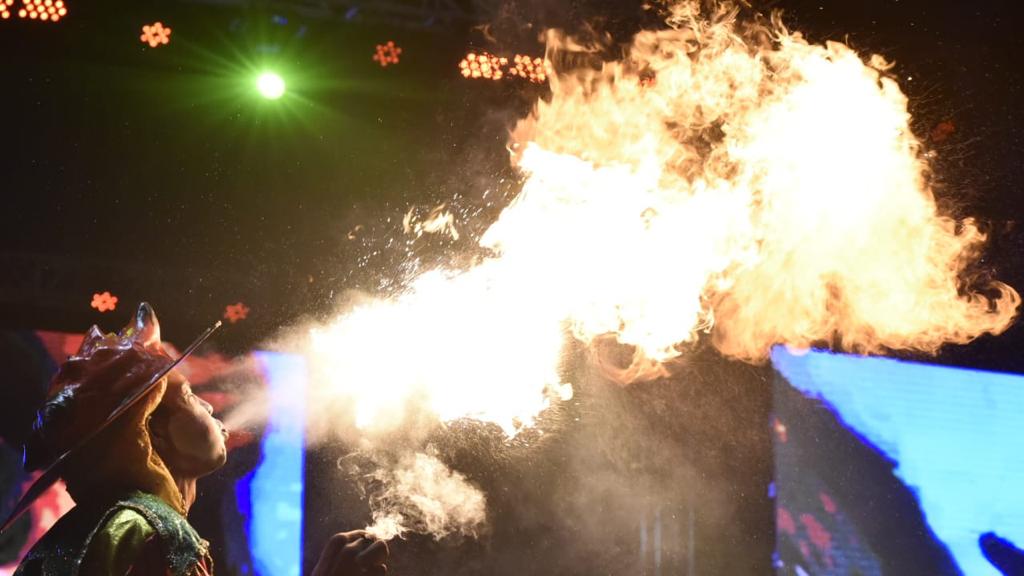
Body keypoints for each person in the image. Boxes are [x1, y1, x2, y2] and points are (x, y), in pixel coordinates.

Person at [9, 303, 388, 575]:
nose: (208, 406)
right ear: (151, 428)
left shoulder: (98, 525)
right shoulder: (151, 530)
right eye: (189, 396)